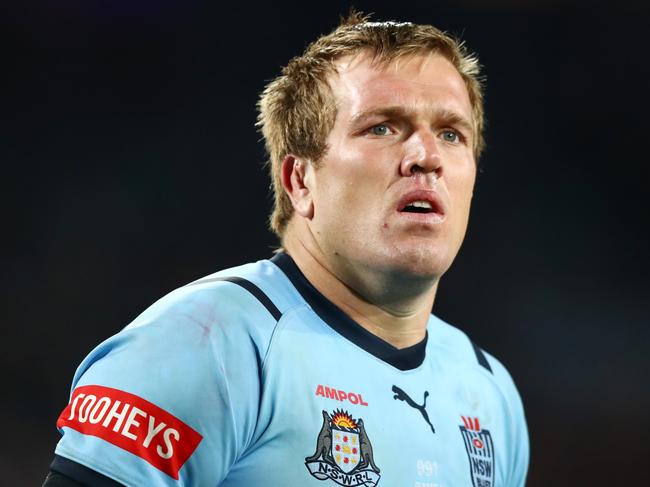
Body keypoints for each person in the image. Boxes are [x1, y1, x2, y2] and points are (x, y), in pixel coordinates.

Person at [44, 11, 529, 487]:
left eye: (451, 133)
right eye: (382, 127)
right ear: (300, 181)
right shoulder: (207, 344)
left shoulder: (489, 396)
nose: (427, 157)